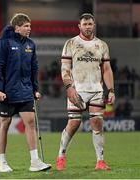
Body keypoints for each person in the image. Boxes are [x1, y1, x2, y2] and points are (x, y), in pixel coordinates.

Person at [0, 13, 51, 173]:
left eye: (30, 26)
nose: (29, 28)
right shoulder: (3, 43)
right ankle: (2, 163)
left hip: (25, 91)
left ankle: (35, 161)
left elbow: (34, 68)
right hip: (6, 92)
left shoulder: (31, 44)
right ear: (17, 27)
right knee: (4, 124)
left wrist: (36, 89)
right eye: (26, 26)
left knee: (30, 122)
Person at [56, 13, 115, 171]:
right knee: (74, 123)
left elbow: (107, 69)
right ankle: (61, 156)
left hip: (96, 89)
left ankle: (100, 161)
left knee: (97, 123)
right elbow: (65, 68)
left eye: (90, 24)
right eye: (85, 24)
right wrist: (69, 87)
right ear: (79, 26)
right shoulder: (71, 43)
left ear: (94, 25)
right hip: (78, 89)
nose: (87, 26)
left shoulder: (102, 45)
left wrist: (110, 90)